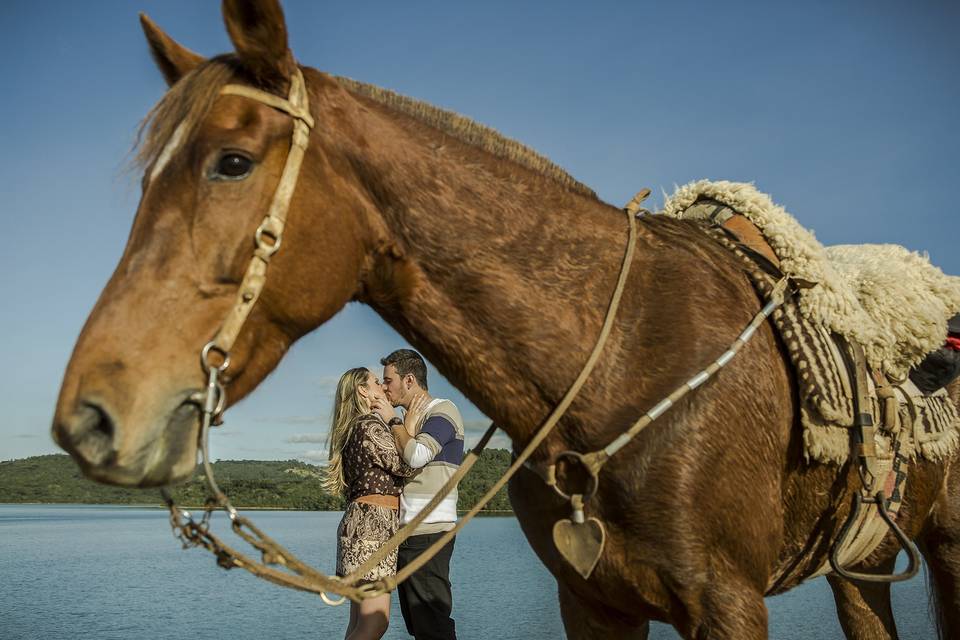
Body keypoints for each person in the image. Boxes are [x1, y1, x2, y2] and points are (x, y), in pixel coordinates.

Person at [322, 367, 426, 640]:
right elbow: (405, 465)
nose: (382, 387)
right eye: (377, 383)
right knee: (375, 622)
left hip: (362, 525)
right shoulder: (368, 425)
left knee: (359, 622)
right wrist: (407, 426)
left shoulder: (354, 427)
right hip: (373, 528)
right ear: (363, 391)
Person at [380, 349, 464, 640]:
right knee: (419, 626)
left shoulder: (443, 411)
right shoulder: (411, 423)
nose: (383, 387)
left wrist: (394, 422)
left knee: (433, 625)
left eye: (388, 380)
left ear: (410, 380)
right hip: (408, 533)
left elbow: (416, 456)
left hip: (429, 532)